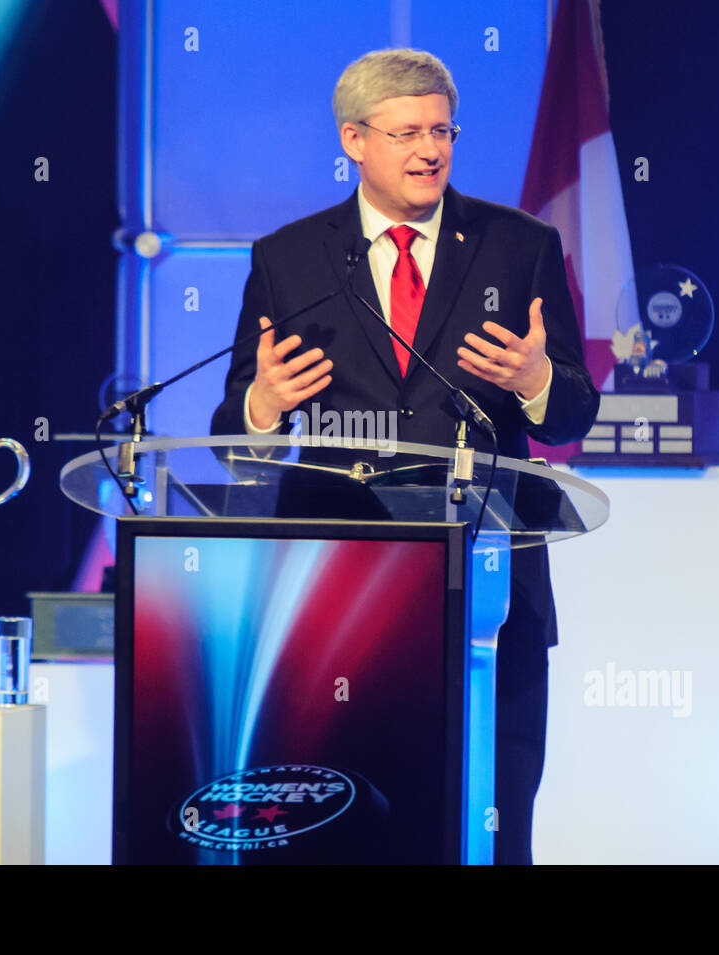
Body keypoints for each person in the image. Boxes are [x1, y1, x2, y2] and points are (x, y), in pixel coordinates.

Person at [211, 48, 598, 864]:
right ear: (354, 140)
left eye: (443, 131)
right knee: (339, 819)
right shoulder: (290, 259)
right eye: (408, 133)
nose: (431, 150)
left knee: (491, 814)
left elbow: (573, 414)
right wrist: (265, 404)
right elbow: (233, 427)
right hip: (336, 591)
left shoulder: (517, 245)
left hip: (488, 592)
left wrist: (536, 380)